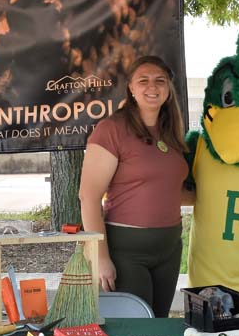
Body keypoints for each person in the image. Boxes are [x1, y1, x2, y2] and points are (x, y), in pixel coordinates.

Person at [79, 56, 192, 317]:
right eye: (144, 80)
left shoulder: (171, 132)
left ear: (168, 89)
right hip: (126, 252)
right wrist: (101, 257)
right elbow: (88, 196)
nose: (152, 87)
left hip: (169, 249)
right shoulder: (112, 129)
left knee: (159, 325)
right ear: (131, 88)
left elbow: (171, 190)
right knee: (136, 331)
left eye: (160, 81)